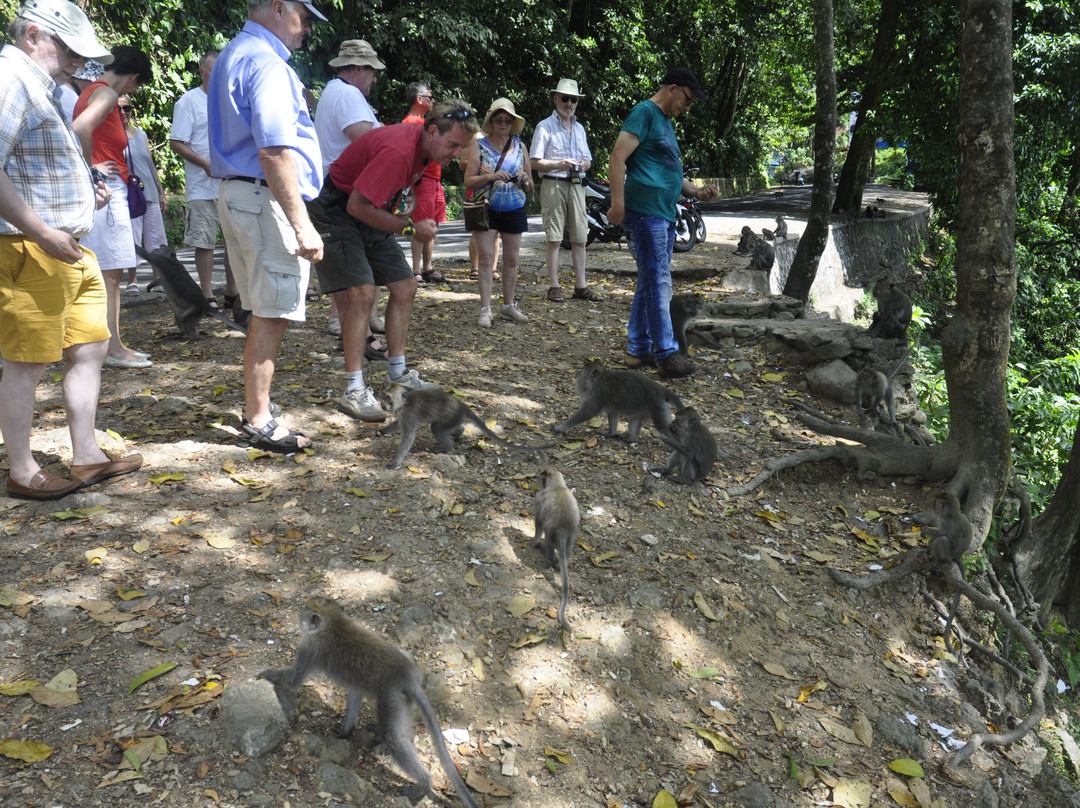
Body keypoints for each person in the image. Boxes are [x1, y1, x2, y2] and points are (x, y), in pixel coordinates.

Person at [0, 0, 143, 500]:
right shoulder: (10, 78)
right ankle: (22, 470)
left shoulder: (40, 84)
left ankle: (86, 456)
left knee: (89, 348)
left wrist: (87, 186)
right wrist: (40, 231)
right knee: (27, 360)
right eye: (70, 48)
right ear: (34, 34)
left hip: (66, 244)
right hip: (31, 244)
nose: (79, 61)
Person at [306, 99, 478, 421]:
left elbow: (389, 186)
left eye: (462, 147)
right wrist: (410, 227)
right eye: (454, 144)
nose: (457, 153)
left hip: (368, 209)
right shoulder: (400, 150)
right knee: (362, 293)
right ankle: (354, 390)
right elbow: (356, 206)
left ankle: (397, 374)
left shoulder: (424, 151)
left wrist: (405, 195)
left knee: (405, 286)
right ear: (432, 131)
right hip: (336, 210)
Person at [208, 0, 327, 455]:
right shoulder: (267, 62)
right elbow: (275, 151)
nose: (308, 29)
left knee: (264, 306)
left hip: (242, 194)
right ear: (279, 7)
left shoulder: (235, 52)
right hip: (264, 196)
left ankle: (258, 407)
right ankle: (258, 419)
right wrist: (303, 226)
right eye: (305, 16)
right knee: (274, 310)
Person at [608, 68, 718, 379]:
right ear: (673, 89)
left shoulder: (666, 124)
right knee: (659, 283)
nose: (688, 107)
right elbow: (617, 157)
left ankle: (637, 349)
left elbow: (668, 170)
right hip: (647, 213)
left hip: (664, 213)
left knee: (649, 282)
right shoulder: (644, 113)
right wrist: (618, 204)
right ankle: (666, 354)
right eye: (688, 99)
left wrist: (695, 191)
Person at [73, 45, 154, 368]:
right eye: (137, 84)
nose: (133, 91)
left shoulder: (93, 91)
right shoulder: (105, 94)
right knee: (109, 275)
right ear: (132, 76)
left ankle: (113, 345)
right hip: (106, 189)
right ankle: (111, 350)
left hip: (105, 188)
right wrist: (91, 169)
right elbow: (80, 129)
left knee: (109, 273)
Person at [311, 38, 385, 349]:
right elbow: (367, 142)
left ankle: (352, 333)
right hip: (340, 194)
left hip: (332, 191)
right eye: (371, 70)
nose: (374, 77)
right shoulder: (347, 94)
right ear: (356, 69)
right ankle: (361, 338)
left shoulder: (334, 91)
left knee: (346, 268)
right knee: (354, 270)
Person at [169, 51, 239, 314]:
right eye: (214, 69)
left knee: (234, 241)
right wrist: (205, 164)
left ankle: (233, 293)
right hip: (202, 184)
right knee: (205, 241)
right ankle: (207, 293)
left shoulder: (229, 102)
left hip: (231, 183)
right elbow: (177, 142)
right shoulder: (189, 101)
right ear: (202, 71)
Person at [463, 98, 533, 328]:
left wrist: (524, 179)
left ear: (513, 123)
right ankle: (485, 309)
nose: (503, 124)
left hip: (515, 206)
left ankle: (508, 306)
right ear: (491, 121)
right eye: (499, 119)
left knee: (512, 259)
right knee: (485, 258)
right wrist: (491, 176)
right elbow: (469, 181)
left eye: (507, 120)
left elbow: (530, 185)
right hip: (487, 207)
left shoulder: (520, 147)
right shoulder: (479, 145)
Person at [530, 78, 601, 304]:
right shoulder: (544, 126)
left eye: (574, 100)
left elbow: (588, 160)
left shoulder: (580, 128)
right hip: (553, 184)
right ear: (556, 99)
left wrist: (582, 165)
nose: (569, 103)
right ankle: (554, 286)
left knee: (580, 237)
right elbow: (534, 161)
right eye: (565, 99)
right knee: (554, 237)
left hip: (577, 185)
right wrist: (560, 164)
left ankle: (581, 286)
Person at [401, 82, 449, 286]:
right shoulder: (410, 123)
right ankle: (416, 269)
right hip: (422, 180)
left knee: (432, 225)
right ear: (419, 99)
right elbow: (407, 154)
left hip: (435, 179)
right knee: (421, 225)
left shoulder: (425, 122)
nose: (433, 101)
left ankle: (428, 267)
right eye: (430, 98)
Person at [119, 94, 166, 295]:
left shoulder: (141, 134)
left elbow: (150, 165)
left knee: (156, 236)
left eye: (127, 108)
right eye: (118, 108)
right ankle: (133, 279)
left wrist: (161, 192)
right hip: (131, 194)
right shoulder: (112, 136)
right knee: (133, 236)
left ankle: (158, 279)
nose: (123, 112)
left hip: (150, 192)